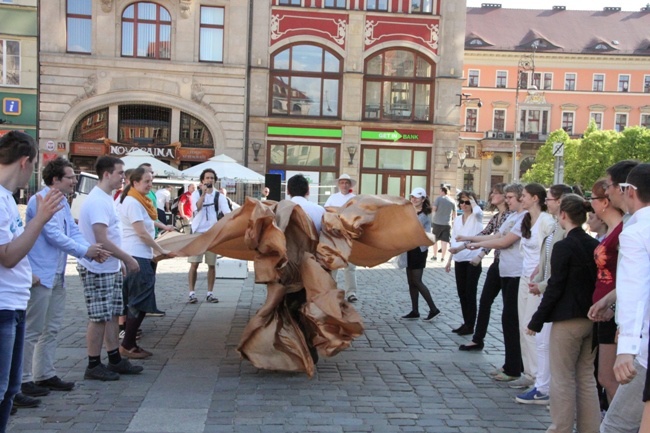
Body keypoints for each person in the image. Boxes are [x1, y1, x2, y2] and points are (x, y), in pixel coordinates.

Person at [20, 158, 109, 402]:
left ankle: (45, 373)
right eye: (69, 177)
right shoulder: (39, 200)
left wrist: (90, 249)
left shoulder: (62, 203)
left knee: (52, 328)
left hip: (57, 273)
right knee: (33, 329)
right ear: (55, 179)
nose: (74, 181)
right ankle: (23, 379)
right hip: (40, 273)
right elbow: (53, 235)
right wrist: (85, 251)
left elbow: (72, 230)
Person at [0, 131, 63, 430]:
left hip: (13, 302)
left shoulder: (8, 199)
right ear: (25, 161)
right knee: (2, 391)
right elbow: (8, 256)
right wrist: (41, 219)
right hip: (2, 307)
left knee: (10, 391)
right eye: (35, 163)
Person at [527, 194, 601, 433]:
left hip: (567, 319)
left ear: (564, 215)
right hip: (590, 318)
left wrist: (536, 321)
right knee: (586, 378)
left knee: (562, 378)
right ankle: (590, 429)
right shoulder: (594, 244)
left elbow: (556, 285)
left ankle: (561, 428)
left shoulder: (563, 246)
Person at [77, 156, 143, 381]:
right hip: (98, 268)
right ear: (107, 174)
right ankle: (93, 364)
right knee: (98, 317)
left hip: (110, 266)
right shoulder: (98, 201)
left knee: (114, 313)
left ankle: (114, 359)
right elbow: (101, 239)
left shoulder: (107, 198)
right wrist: (127, 258)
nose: (123, 178)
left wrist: (119, 262)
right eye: (120, 173)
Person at [600, 163, 650, 433]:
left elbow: (635, 288)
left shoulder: (636, 232)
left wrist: (627, 349)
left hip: (644, 348)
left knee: (616, 425)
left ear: (631, 191)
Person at [466, 183, 527, 382]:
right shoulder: (513, 216)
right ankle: (511, 364)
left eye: (510, 197)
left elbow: (503, 241)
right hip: (505, 270)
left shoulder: (523, 217)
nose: (508, 200)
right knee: (506, 318)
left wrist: (475, 244)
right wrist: (470, 241)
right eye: (507, 197)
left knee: (511, 320)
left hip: (517, 273)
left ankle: (515, 367)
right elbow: (496, 235)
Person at [118, 168, 174, 359]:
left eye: (151, 181)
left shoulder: (139, 201)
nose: (150, 184)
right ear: (134, 183)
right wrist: (160, 250)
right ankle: (127, 344)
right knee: (139, 301)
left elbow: (148, 225)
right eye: (146, 181)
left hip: (138, 254)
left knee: (138, 301)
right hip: (137, 256)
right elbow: (141, 232)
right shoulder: (133, 202)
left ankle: (130, 342)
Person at [455, 183, 512, 351]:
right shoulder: (496, 216)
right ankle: (477, 339)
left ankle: (514, 354)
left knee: (508, 309)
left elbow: (497, 239)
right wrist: (462, 246)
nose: (492, 195)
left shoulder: (511, 216)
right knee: (484, 301)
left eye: (496, 193)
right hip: (497, 263)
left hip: (508, 265)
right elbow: (484, 234)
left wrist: (480, 254)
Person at [511, 183, 555, 393]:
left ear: (536, 198)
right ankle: (529, 372)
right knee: (522, 325)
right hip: (524, 277)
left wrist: (540, 272)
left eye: (525, 196)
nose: (522, 199)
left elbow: (550, 249)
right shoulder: (526, 219)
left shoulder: (546, 221)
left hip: (538, 280)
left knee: (532, 325)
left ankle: (540, 376)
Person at [586, 179, 624, 409]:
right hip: (603, 307)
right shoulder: (612, 230)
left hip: (612, 310)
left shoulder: (621, 231)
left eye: (593, 198)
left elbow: (627, 274)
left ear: (604, 202)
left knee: (609, 378)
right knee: (605, 377)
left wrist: (612, 304)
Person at [187, 169, 231, 304]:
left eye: (212, 178)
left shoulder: (220, 196)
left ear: (215, 180)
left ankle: (210, 293)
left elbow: (227, 213)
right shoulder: (196, 194)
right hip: (198, 232)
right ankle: (191, 293)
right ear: (202, 180)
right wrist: (203, 194)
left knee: (211, 265)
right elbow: (196, 208)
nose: (210, 180)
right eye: (207, 178)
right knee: (194, 263)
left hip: (212, 233)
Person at [446, 191, 483, 335]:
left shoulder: (477, 217)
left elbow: (479, 211)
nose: (464, 205)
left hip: (472, 258)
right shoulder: (457, 219)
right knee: (462, 292)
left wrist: (473, 200)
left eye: (467, 202)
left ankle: (470, 324)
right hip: (459, 258)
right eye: (461, 202)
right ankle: (466, 322)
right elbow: (454, 239)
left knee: (470, 292)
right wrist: (449, 260)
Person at [401, 187, 440, 322]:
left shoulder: (424, 214)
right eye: (412, 197)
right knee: (411, 281)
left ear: (423, 199)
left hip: (419, 249)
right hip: (410, 248)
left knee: (417, 280)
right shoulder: (410, 211)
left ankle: (433, 308)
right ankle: (415, 310)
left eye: (417, 197)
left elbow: (412, 227)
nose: (413, 199)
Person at [325, 174, 359, 302]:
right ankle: (332, 290)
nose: (344, 185)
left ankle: (351, 292)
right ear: (339, 184)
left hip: (349, 236)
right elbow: (327, 211)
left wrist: (339, 211)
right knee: (333, 264)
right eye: (342, 182)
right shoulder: (332, 197)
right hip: (335, 236)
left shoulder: (354, 198)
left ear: (350, 185)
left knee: (350, 267)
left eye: (346, 183)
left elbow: (357, 215)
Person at [431, 186, 456, 262]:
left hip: (437, 223)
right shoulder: (452, 200)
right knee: (444, 241)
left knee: (434, 240)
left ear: (442, 191)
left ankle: (435, 256)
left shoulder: (439, 199)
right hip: (447, 224)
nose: (439, 192)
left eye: (440, 191)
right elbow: (455, 214)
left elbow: (434, 209)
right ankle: (443, 257)